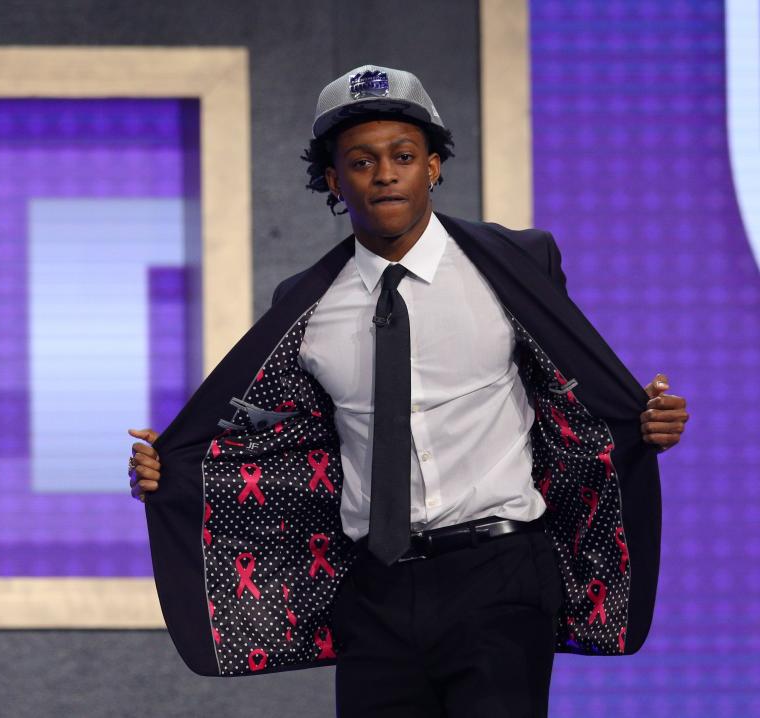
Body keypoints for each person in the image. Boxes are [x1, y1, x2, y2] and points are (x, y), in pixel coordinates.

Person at [126, 65, 689, 717]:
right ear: (335, 180)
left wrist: (645, 423)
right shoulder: (304, 308)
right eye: (362, 161)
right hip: (375, 590)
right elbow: (281, 447)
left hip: (501, 570)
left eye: (403, 155)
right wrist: (172, 468)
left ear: (435, 166)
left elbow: (571, 396)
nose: (385, 173)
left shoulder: (518, 265)